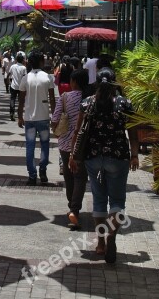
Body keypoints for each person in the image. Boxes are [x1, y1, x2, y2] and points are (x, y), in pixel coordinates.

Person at [69, 68, 139, 264]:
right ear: (115, 83)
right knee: (117, 201)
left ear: (97, 83)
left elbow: (77, 130)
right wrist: (134, 155)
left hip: (92, 158)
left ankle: (100, 244)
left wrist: (73, 155)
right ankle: (112, 236)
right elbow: (133, 133)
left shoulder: (87, 103)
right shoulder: (124, 104)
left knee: (99, 200)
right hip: (118, 158)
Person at [51, 69, 89, 230]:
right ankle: (75, 209)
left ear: (73, 82)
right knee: (80, 176)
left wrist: (55, 130)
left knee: (69, 176)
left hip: (66, 143)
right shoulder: (89, 99)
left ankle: (72, 207)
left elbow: (54, 119)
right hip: (83, 144)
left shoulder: (65, 97)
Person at [18, 49, 55, 185]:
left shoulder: (25, 78)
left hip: (29, 118)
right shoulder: (48, 77)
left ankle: (32, 175)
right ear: (41, 61)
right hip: (44, 117)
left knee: (30, 146)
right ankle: (43, 170)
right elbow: (52, 99)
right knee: (45, 145)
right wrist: (55, 116)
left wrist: (19, 116)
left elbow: (21, 100)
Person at [8, 54, 27, 121]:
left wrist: (9, 81)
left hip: (13, 86)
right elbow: (25, 77)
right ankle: (19, 114)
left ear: (16, 60)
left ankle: (12, 113)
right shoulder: (24, 68)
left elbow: (9, 74)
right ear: (22, 60)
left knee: (12, 99)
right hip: (21, 87)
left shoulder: (13, 66)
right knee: (20, 101)